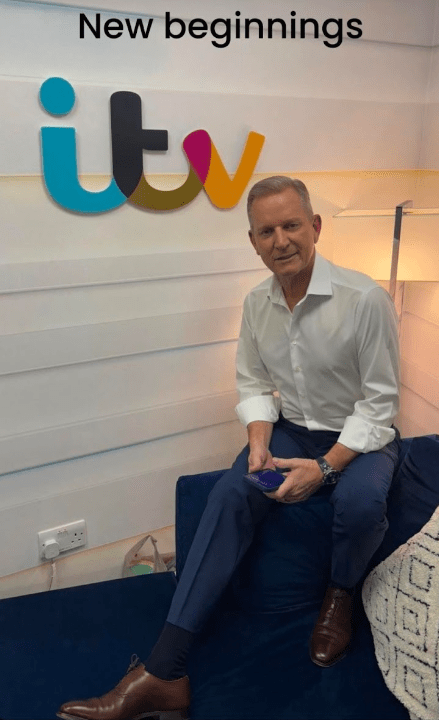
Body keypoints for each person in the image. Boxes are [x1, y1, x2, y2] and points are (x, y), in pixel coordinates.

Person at [57, 176, 400, 720]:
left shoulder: (366, 299)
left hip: (362, 436)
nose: (280, 240)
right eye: (267, 231)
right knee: (228, 496)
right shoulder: (256, 303)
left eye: (291, 226)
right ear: (253, 241)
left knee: (358, 504)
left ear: (314, 228)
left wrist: (326, 469)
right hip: (291, 429)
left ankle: (340, 596)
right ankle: (165, 671)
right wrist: (259, 442)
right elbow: (253, 385)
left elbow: (380, 405)